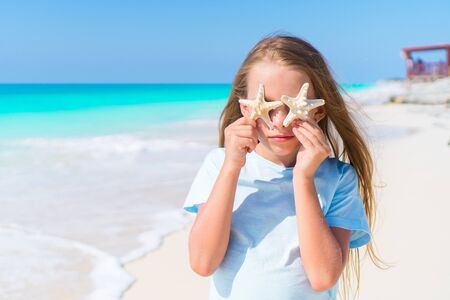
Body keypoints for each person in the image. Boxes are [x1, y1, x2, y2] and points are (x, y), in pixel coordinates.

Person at [183, 34, 386, 300]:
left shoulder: (338, 178)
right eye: (266, 103)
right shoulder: (218, 165)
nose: (279, 121)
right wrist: (232, 168)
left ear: (318, 111)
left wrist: (303, 179)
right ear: (245, 108)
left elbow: (323, 277)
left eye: (293, 105)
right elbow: (202, 262)